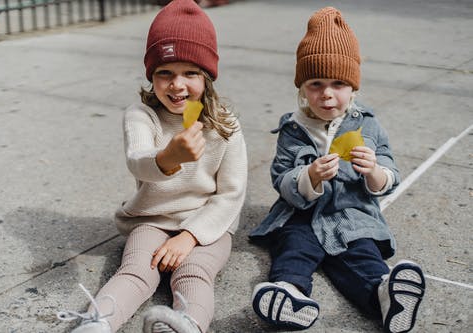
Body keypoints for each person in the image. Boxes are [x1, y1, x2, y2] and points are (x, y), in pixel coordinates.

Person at [57, 1, 247, 333]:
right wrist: (170, 157)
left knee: (194, 273)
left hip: (207, 225)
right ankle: (97, 322)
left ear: (208, 77)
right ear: (151, 76)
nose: (177, 85)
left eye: (191, 73)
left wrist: (189, 237)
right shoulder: (141, 115)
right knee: (135, 271)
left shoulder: (225, 125)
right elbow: (138, 161)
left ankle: (188, 324)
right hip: (152, 218)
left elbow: (231, 194)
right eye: (165, 73)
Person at [249, 7, 425, 333]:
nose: (327, 94)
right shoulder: (293, 127)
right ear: (302, 88)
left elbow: (389, 172)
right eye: (316, 83)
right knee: (294, 250)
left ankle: (385, 294)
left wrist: (373, 171)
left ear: (353, 88)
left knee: (361, 256)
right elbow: (281, 176)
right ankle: (289, 294)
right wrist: (309, 177)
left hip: (353, 214)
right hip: (301, 214)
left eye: (338, 84)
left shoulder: (368, 124)